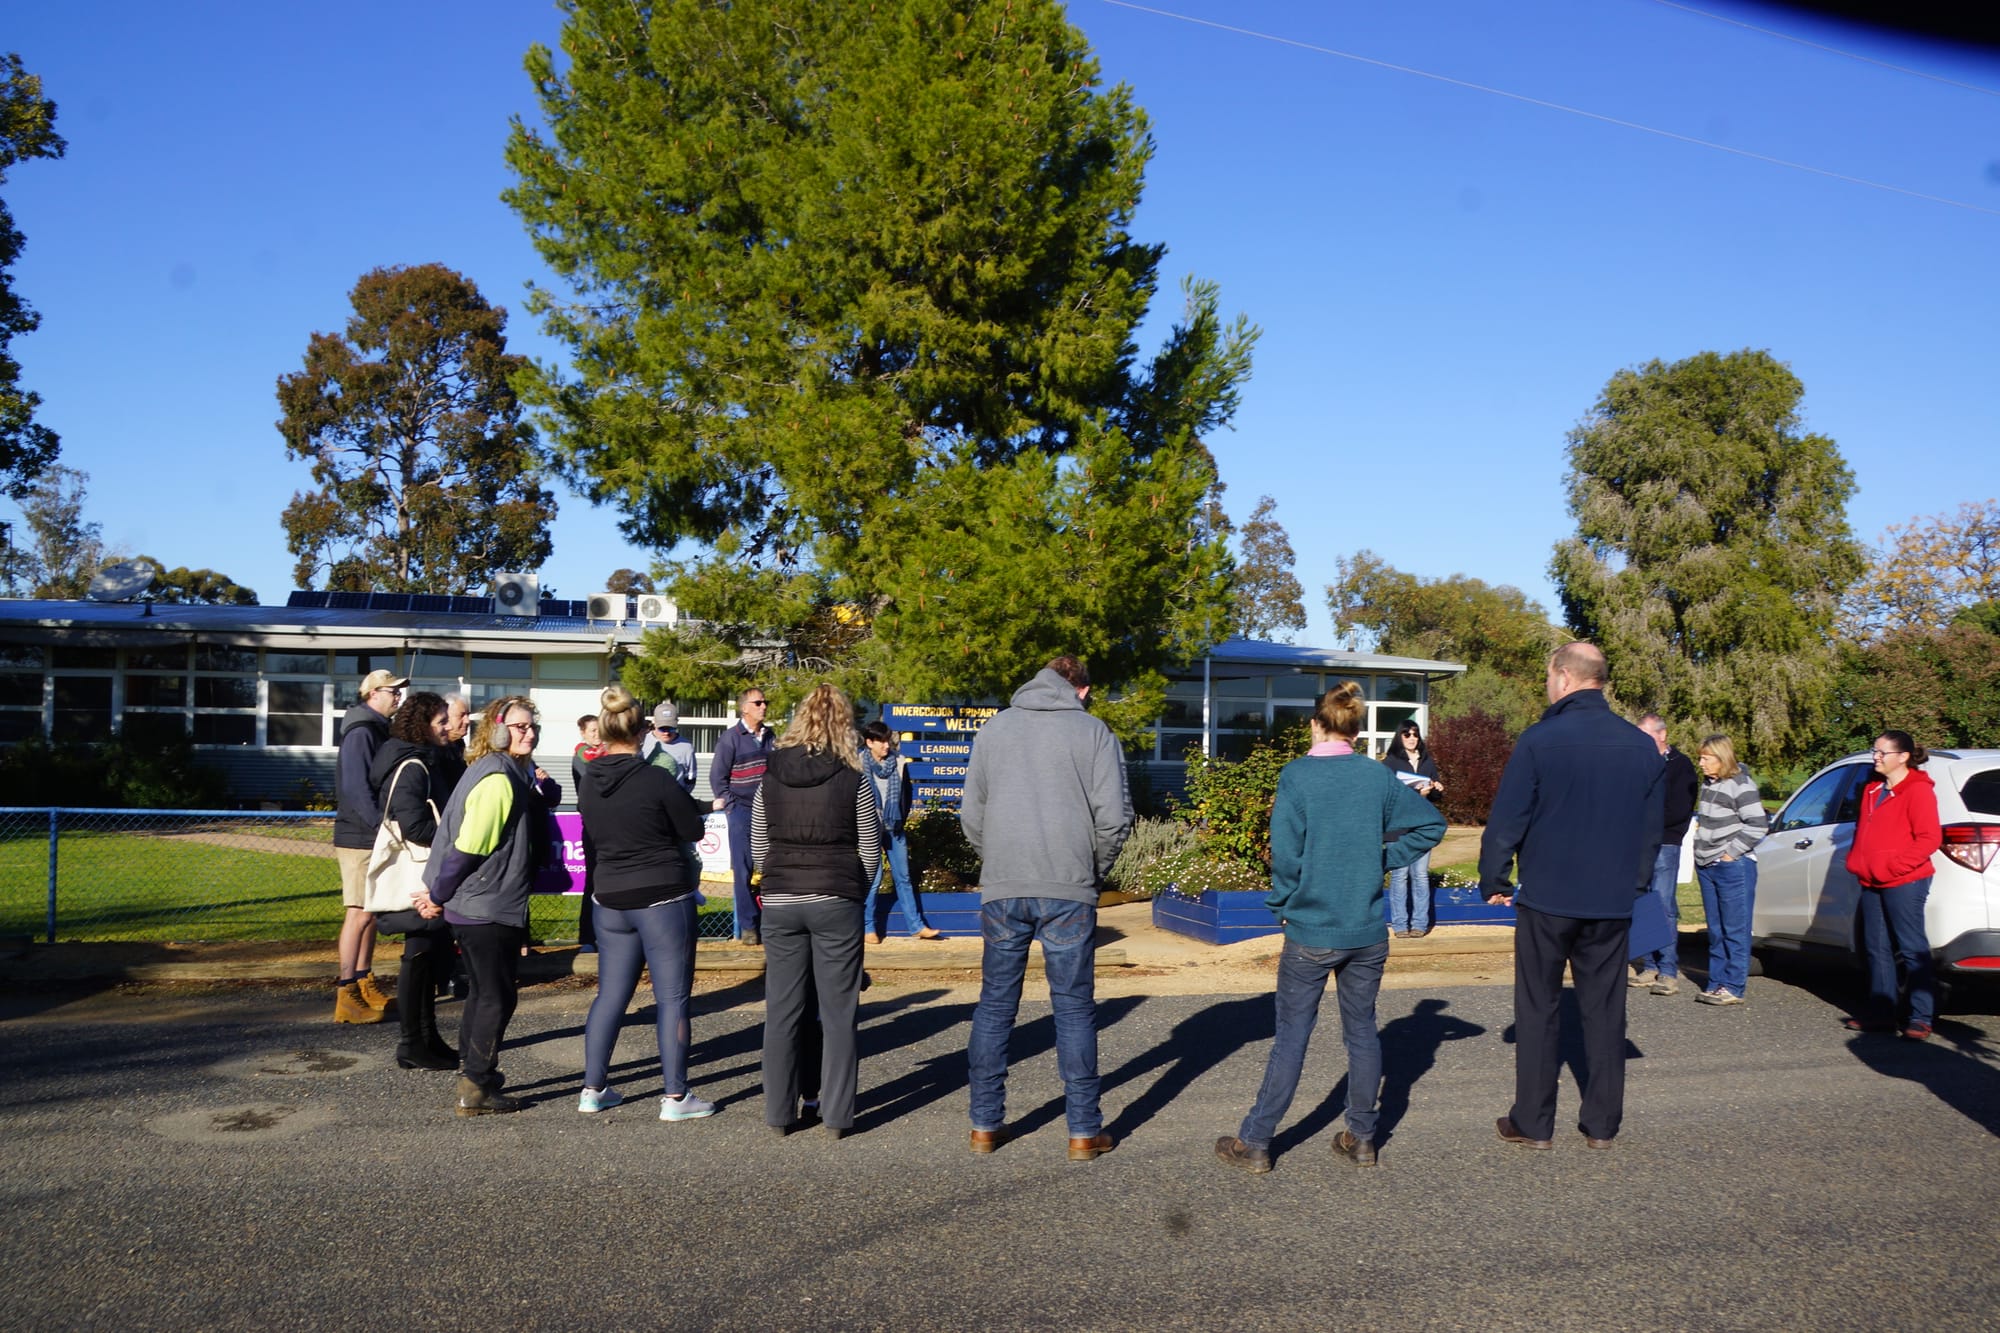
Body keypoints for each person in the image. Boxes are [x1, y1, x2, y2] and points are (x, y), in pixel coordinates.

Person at [1215, 683, 1445, 1174]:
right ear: (1356, 730)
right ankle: (1362, 1137)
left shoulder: (1297, 776)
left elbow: (1287, 856)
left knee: (1292, 1036)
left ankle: (1256, 1142)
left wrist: (1282, 904)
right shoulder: (1375, 776)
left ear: (1316, 725)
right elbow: (1431, 826)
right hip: (1365, 931)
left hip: (1312, 929)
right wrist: (1382, 860)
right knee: (1362, 1033)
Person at [1479, 643, 1663, 1150]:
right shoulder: (1641, 745)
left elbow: (1509, 817)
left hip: (1549, 896)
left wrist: (1494, 877)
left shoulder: (1540, 739)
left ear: (1563, 677)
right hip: (1612, 899)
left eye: (1547, 676)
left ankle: (1533, 1124)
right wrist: (1638, 884)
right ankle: (1601, 1125)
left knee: (1538, 1007)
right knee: (1606, 1011)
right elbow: (1653, 830)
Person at [960, 655, 1133, 1162]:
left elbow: (972, 813)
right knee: (1074, 1007)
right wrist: (1089, 870)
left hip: (1004, 885)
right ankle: (1083, 1131)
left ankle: (984, 1125)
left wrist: (996, 860)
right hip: (1069, 885)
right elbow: (1115, 818)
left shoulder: (995, 730)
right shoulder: (1095, 732)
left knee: (995, 1004)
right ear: (1081, 690)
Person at [415, 695, 562, 1116]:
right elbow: (468, 848)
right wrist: (437, 895)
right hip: (485, 905)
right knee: (496, 997)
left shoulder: (502, 770)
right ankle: (476, 1086)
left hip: (479, 902)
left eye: (532, 726)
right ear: (497, 730)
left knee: (484, 993)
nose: (528, 733)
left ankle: (475, 1072)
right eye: (519, 727)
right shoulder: (498, 778)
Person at [575, 685, 717, 1118]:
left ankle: (592, 1089)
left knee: (610, 996)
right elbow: (691, 830)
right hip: (661, 896)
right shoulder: (655, 777)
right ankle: (676, 1097)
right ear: (642, 733)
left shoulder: (588, 781)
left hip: (610, 897)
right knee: (673, 997)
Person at [751, 682, 880, 1139]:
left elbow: (757, 844)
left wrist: (776, 881)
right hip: (835, 895)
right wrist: (854, 891)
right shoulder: (854, 778)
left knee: (783, 1011)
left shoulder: (770, 773)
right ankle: (838, 1115)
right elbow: (869, 847)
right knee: (839, 1011)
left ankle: (780, 1113)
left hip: (783, 896)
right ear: (845, 724)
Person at [367, 690, 458, 1071]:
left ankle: (427, 1035)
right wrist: (453, 837)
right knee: (417, 958)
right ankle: (412, 1042)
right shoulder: (411, 764)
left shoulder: (419, 759)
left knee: (426, 957)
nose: (448, 727)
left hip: (424, 873)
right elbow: (415, 826)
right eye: (441, 721)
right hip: (417, 875)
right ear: (422, 725)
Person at [1842, 730, 1942, 1041]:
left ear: (1903, 757)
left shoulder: (1918, 791)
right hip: (1872, 879)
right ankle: (1882, 1013)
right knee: (1876, 948)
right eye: (1875, 751)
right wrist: (1860, 862)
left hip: (1905, 880)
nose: (1876, 757)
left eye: (1882, 752)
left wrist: (1894, 867)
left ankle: (1921, 1017)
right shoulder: (1873, 790)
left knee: (1912, 949)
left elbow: (1929, 838)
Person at [332, 667, 406, 1024]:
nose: (398, 697)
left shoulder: (377, 729)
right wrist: (381, 826)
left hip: (372, 834)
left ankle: (364, 981)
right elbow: (356, 787)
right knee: (358, 912)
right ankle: (346, 991)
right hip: (360, 835)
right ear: (372, 693)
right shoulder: (361, 732)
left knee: (371, 912)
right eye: (392, 691)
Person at [1692, 734, 1768, 1007]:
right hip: (1706, 864)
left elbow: (1758, 824)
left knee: (1735, 928)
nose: (1700, 762)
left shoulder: (1741, 784)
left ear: (1721, 758)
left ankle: (1733, 986)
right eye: (1700, 757)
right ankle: (1715, 982)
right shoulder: (1709, 784)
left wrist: (1730, 854)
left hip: (1732, 866)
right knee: (1716, 929)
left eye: (1705, 758)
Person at [1629, 713, 1700, 996]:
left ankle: (1668, 969)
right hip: (1639, 844)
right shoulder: (1638, 765)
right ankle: (1650, 965)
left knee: (1664, 905)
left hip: (1665, 843)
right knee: (1644, 903)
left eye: (1645, 735)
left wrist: (1645, 823)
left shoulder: (1680, 766)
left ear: (1662, 735)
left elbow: (1679, 809)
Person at [860, 720, 942, 943]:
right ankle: (868, 928)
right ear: (869, 742)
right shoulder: (858, 763)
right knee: (873, 879)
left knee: (903, 878)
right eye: (881, 741)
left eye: (888, 741)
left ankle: (916, 926)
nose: (886, 746)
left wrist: (901, 819)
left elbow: (907, 792)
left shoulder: (898, 761)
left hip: (894, 827)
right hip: (868, 829)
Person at [709, 686, 775, 945]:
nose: (763, 706)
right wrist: (730, 807)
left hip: (768, 810)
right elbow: (718, 778)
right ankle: (749, 926)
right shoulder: (730, 738)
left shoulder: (770, 736)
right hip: (741, 811)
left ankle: (771, 922)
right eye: (758, 703)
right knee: (743, 869)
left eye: (765, 702)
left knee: (772, 867)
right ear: (744, 707)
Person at [1379, 721, 1445, 938]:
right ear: (1400, 737)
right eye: (1406, 734)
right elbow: (1388, 797)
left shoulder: (1427, 762)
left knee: (1420, 876)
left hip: (1422, 828)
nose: (1411, 738)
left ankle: (1419, 924)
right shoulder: (1390, 763)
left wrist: (1437, 789)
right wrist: (1419, 795)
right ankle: (1399, 925)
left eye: (1415, 734)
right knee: (1399, 875)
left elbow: (1435, 796)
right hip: (1397, 829)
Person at [570, 713, 602, 954]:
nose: (597, 734)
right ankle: (588, 936)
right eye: (592, 731)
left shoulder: (607, 751)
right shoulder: (581, 755)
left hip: (609, 822)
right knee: (592, 881)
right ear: (583, 733)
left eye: (599, 729)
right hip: (591, 824)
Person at [643, 702, 698, 793]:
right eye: (662, 728)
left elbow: (691, 778)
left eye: (671, 728)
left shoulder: (686, 747)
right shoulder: (642, 742)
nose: (666, 733)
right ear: (655, 723)